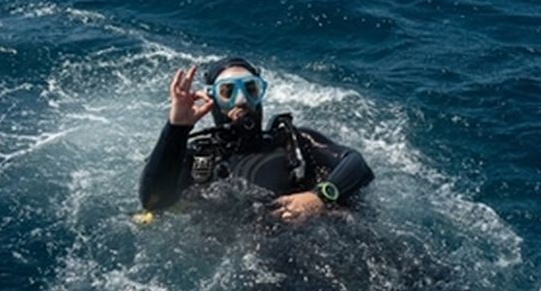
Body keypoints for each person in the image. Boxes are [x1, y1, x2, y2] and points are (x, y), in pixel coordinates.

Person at [138, 56, 374, 223]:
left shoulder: (292, 140)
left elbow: (357, 165)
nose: (241, 100)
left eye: (250, 89)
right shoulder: (199, 157)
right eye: (228, 92)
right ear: (212, 99)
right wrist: (177, 128)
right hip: (258, 257)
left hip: (323, 234)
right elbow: (153, 201)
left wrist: (319, 197)